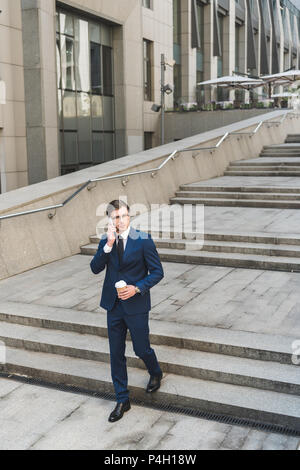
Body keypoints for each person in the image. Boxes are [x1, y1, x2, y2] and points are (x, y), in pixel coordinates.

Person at [90, 199, 164, 422]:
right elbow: (95, 268)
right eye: (115, 218)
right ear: (109, 220)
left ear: (129, 216)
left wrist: (137, 288)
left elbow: (158, 272)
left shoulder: (143, 240)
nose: (120, 221)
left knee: (142, 349)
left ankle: (155, 371)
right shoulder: (107, 241)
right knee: (116, 354)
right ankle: (122, 399)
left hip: (136, 305)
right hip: (113, 306)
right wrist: (108, 245)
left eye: (123, 216)